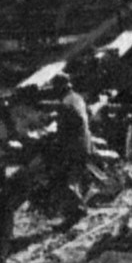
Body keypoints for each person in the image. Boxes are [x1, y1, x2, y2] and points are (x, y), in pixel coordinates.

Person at [44, 73, 92, 225]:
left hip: (74, 147)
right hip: (84, 144)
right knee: (72, 180)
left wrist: (57, 136)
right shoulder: (77, 98)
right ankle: (73, 215)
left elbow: (68, 124)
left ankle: (79, 211)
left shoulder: (65, 103)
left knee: (66, 183)